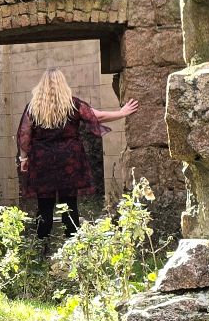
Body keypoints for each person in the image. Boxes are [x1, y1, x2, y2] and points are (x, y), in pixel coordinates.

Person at [17, 69, 139, 241]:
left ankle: (40, 250)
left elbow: (24, 134)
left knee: (44, 207)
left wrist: (24, 158)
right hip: (69, 162)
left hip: (42, 163)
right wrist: (121, 112)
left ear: (41, 86)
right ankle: (72, 248)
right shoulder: (72, 105)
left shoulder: (33, 108)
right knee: (70, 205)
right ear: (63, 84)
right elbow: (98, 116)